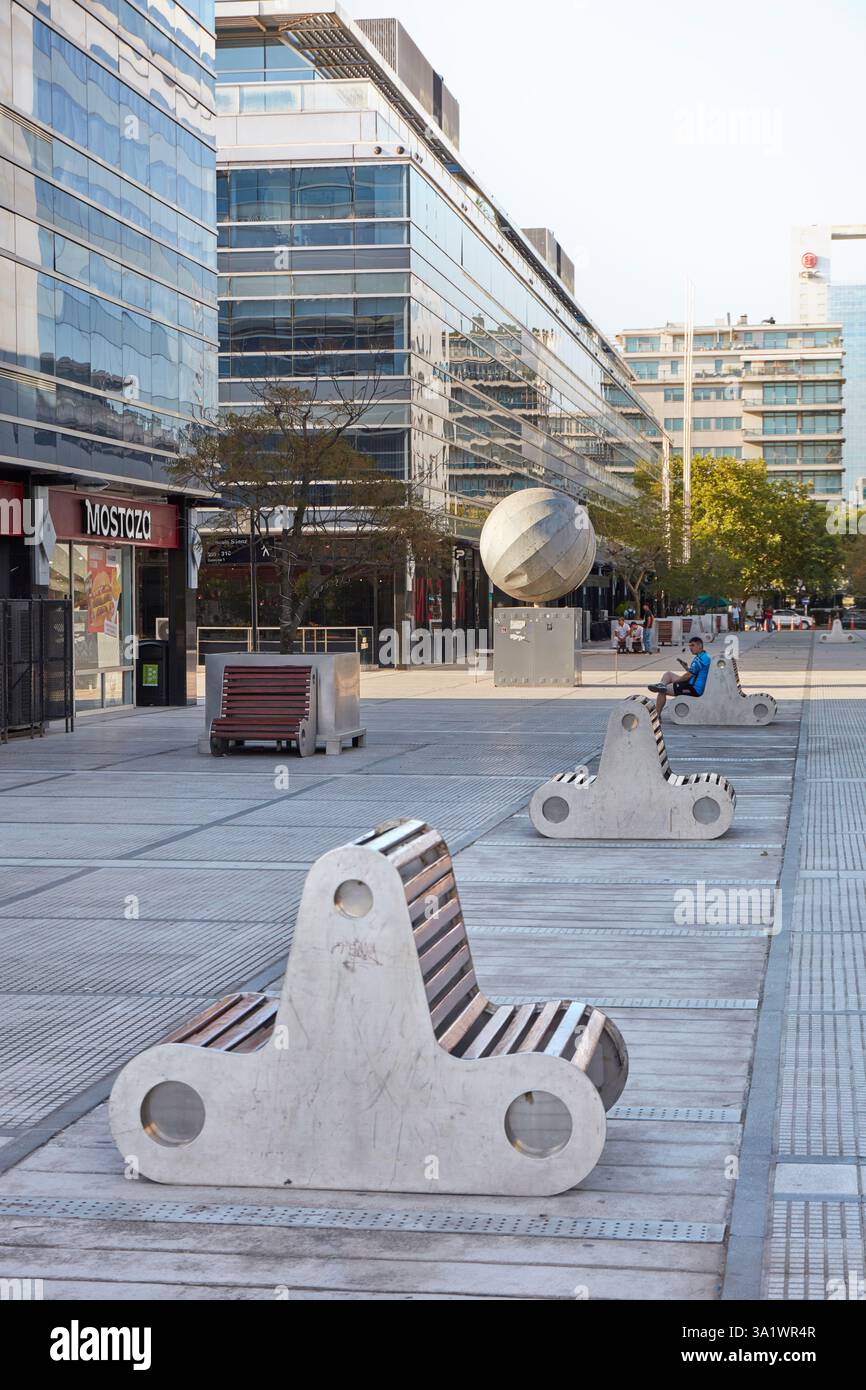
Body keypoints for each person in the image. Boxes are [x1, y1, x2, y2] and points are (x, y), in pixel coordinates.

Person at [648, 637, 712, 716]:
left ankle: (657, 715)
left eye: (692, 645)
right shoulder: (703, 656)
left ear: (700, 646)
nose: (690, 648)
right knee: (668, 674)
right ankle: (662, 685)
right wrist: (686, 667)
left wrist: (675, 682)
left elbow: (688, 675)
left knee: (662, 690)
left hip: (694, 689)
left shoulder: (701, 659)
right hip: (691, 683)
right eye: (689, 646)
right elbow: (694, 673)